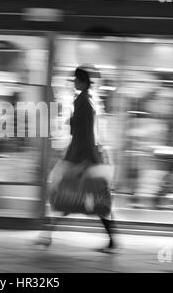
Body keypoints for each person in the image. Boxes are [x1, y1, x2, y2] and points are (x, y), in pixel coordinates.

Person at [36, 66, 117, 252]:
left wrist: (83, 162)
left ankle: (46, 236)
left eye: (75, 80)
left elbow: (85, 135)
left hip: (81, 159)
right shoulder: (83, 101)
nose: (73, 83)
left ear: (81, 81)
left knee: (69, 197)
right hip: (82, 158)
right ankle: (46, 236)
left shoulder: (84, 104)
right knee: (73, 198)